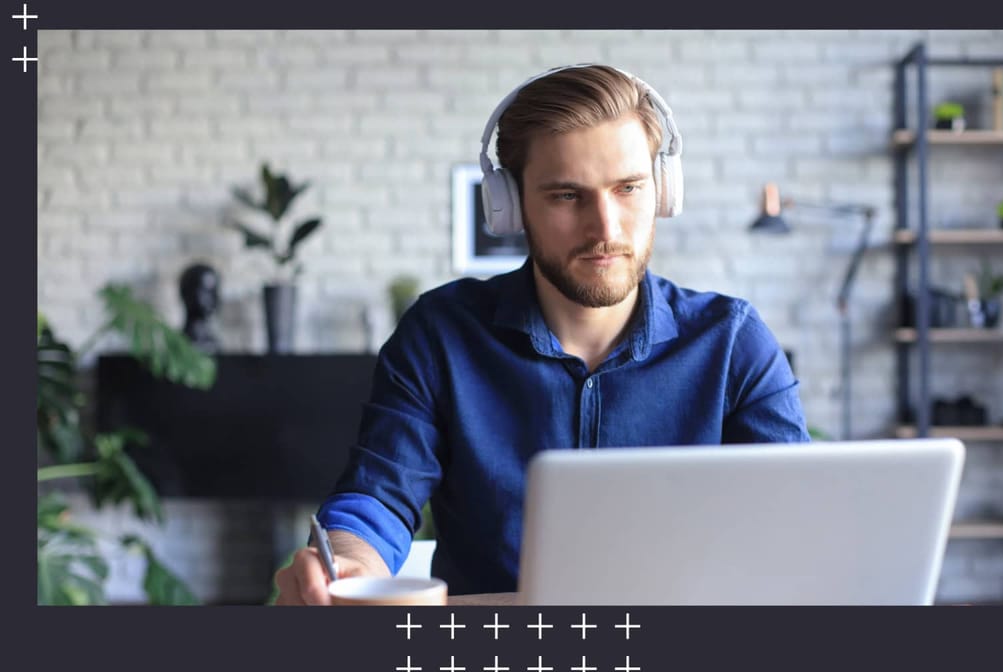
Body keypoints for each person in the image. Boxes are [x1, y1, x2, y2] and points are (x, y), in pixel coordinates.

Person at [273, 64, 809, 605]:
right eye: (567, 196)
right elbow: (378, 498)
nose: (606, 228)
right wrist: (345, 563)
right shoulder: (440, 336)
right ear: (509, 206)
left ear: (663, 191)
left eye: (628, 188)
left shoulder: (733, 342)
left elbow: (799, 520)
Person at [178, 262, 220, 353]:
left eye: (214, 291)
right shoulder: (178, 343)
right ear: (187, 293)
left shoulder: (215, 344)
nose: (213, 298)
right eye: (206, 291)